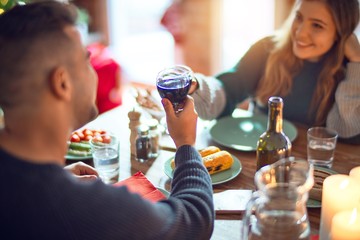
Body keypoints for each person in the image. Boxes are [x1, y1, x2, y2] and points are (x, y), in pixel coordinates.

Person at [0, 2, 214, 240]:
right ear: (62, 83)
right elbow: (194, 221)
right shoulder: (83, 208)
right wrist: (186, 144)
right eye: (86, 60)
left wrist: (54, 180)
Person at [189, 0, 360, 144]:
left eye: (317, 25)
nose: (300, 32)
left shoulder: (350, 69)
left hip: (314, 172)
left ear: (341, 33)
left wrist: (357, 63)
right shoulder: (266, 50)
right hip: (258, 158)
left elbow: (348, 134)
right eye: (298, 17)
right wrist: (196, 85)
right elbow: (228, 88)